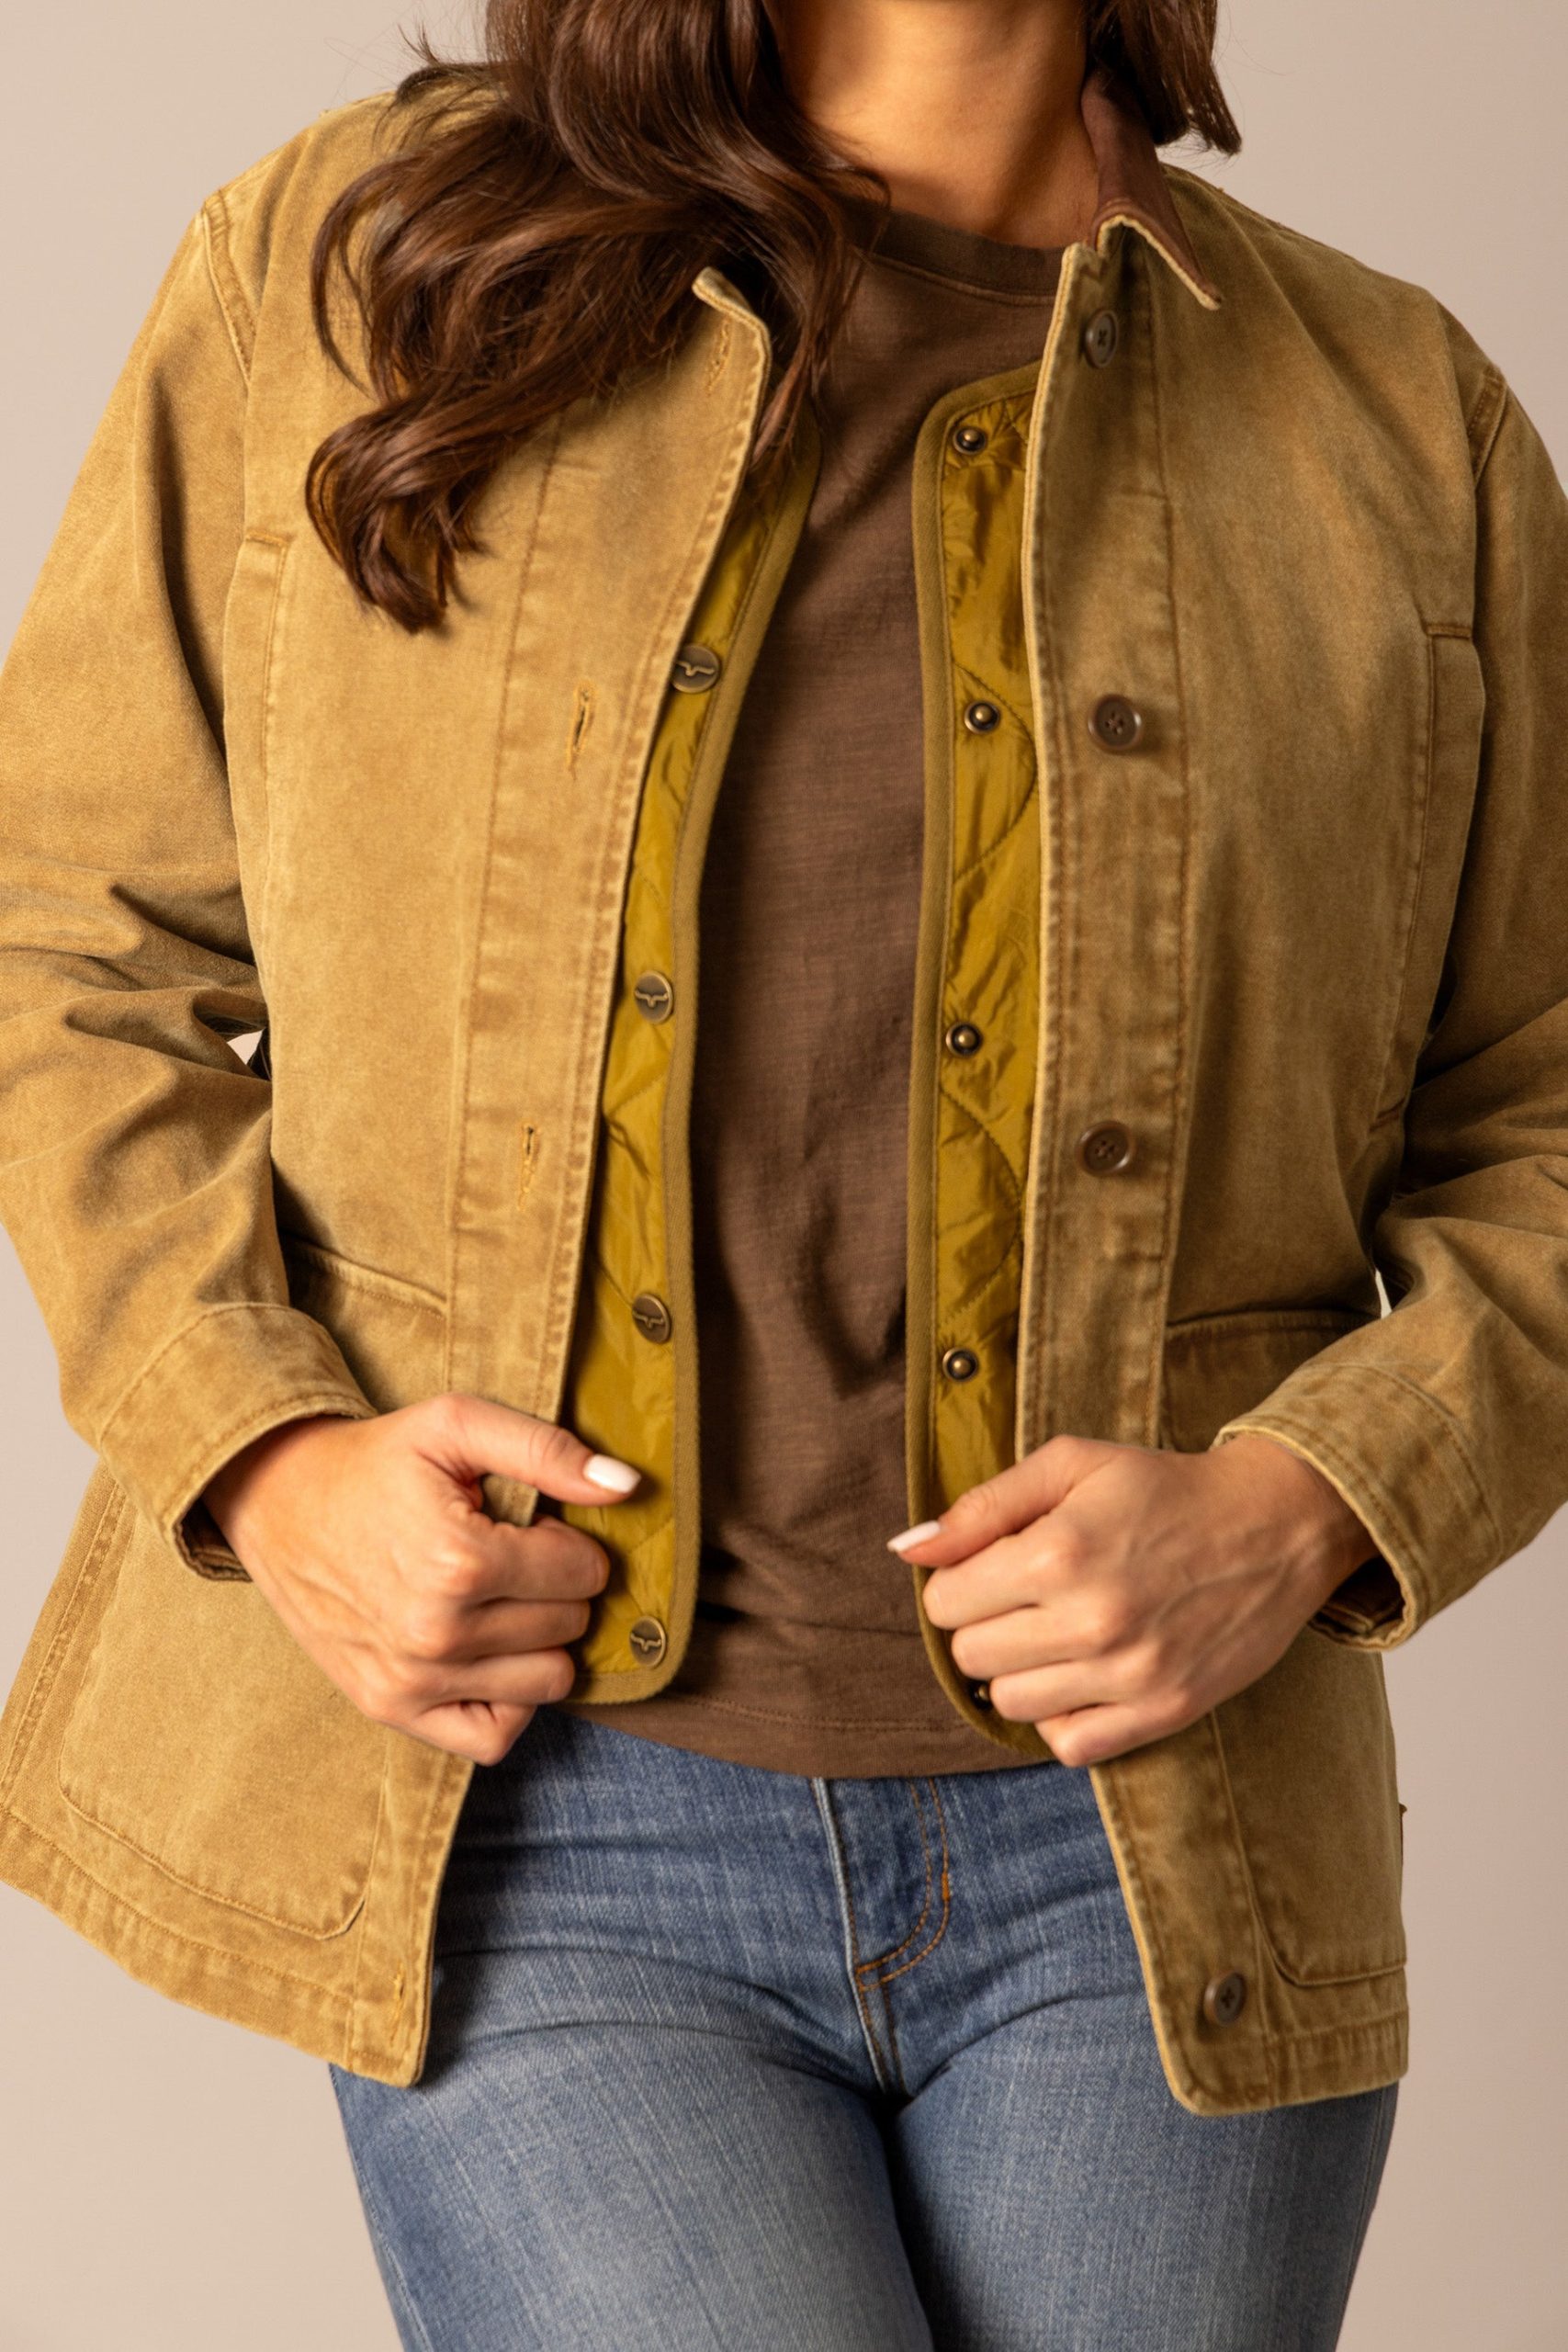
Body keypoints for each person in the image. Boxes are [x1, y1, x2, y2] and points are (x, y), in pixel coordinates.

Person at [2, 0, 1565, 2344]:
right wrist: (268, 1450)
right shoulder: (359, 267)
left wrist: (1303, 1504)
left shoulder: (1390, 420)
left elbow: (1541, 1101)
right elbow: (65, 938)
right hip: (541, 1826)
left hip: (1159, 1852)